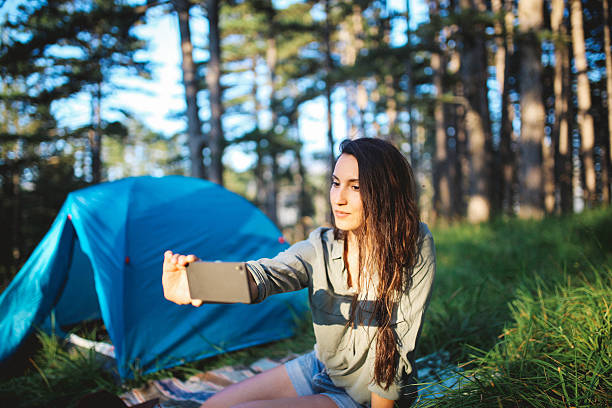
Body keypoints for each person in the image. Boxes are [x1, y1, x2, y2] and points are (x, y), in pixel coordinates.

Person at [162, 138, 436, 408]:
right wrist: (197, 283)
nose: (338, 198)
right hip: (322, 367)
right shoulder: (321, 246)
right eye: (335, 183)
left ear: (385, 191)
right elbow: (267, 275)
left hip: (367, 397)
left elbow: (397, 344)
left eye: (356, 187)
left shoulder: (412, 244)